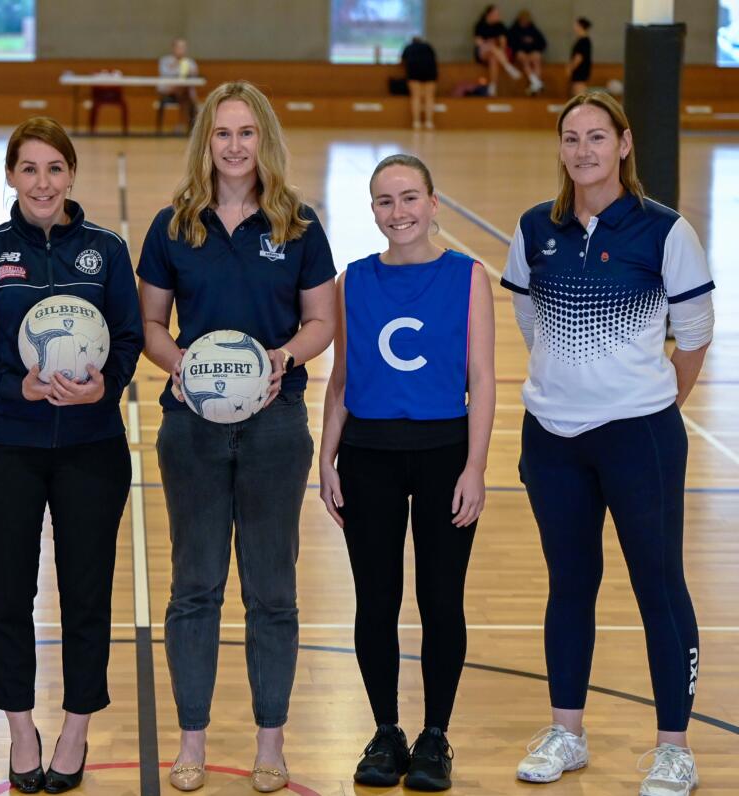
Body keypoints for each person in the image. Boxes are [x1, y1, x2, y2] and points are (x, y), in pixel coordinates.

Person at [503, 91, 714, 796]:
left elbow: (695, 333)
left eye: (598, 137)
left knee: (659, 585)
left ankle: (673, 747)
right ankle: (568, 732)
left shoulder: (665, 232)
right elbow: (531, 321)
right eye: (571, 138)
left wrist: (647, 401)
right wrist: (572, 389)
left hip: (640, 438)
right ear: (560, 148)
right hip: (552, 437)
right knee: (570, 584)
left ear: (624, 144)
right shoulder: (536, 228)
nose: (583, 150)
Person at [137, 81, 336, 794]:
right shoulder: (173, 225)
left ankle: (270, 743)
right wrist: (180, 364)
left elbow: (321, 322)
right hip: (191, 424)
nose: (234, 146)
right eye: (222, 134)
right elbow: (151, 327)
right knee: (195, 587)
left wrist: (284, 357)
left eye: (247, 133)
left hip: (276, 424)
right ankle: (191, 742)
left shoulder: (298, 224)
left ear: (265, 140)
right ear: (206, 143)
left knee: (272, 590)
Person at [0, 117, 142, 794]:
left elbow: (128, 337)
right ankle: (20, 727)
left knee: (87, 594)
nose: (41, 182)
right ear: (10, 176)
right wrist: (16, 384)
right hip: (4, 444)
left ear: (71, 175)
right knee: (9, 592)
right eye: (28, 169)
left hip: (92, 448)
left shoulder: (106, 251)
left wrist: (105, 388)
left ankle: (76, 730)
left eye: (54, 168)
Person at [319, 154, 495, 792]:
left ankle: (436, 736)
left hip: (445, 451)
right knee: (377, 598)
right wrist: (325, 458)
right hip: (368, 454)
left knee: (440, 598)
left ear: (434, 201)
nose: (399, 213)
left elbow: (481, 379)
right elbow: (342, 379)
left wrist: (476, 467)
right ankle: (387, 731)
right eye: (385, 202)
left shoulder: (468, 276)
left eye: (410, 198)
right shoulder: (354, 280)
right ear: (372, 211)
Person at [474, 4, 521, 96]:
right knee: (491, 47)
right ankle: (508, 66)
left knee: (493, 59)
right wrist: (490, 43)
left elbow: (503, 43)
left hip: (496, 54)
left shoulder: (500, 26)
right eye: (496, 14)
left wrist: (498, 48)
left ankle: (493, 87)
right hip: (483, 52)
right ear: (489, 14)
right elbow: (478, 42)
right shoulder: (480, 25)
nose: (498, 16)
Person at [157, 37, 199, 132]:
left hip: (183, 93)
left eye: (183, 47)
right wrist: (176, 65)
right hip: (168, 91)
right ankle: (195, 119)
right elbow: (165, 74)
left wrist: (192, 72)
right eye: (178, 47)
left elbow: (195, 78)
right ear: (173, 48)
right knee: (186, 94)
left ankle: (182, 124)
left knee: (184, 92)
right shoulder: (165, 61)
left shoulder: (190, 62)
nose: (181, 50)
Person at [400, 36, 437, 129]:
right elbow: (434, 58)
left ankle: (416, 122)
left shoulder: (408, 47)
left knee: (416, 97)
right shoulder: (428, 46)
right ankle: (429, 122)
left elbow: (402, 60)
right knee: (429, 97)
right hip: (430, 72)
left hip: (414, 72)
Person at [509, 10, 547, 95]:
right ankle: (535, 81)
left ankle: (536, 86)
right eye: (523, 19)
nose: (525, 21)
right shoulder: (514, 29)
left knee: (537, 58)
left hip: (532, 53)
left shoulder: (533, 29)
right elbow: (512, 44)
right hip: (520, 54)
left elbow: (542, 43)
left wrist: (534, 48)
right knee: (523, 58)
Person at [568, 17, 593, 96]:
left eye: (576, 25)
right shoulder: (581, 40)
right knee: (576, 92)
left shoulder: (584, 41)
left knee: (580, 93)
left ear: (580, 26)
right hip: (579, 70)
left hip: (581, 69)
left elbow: (579, 58)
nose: (574, 27)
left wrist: (570, 68)